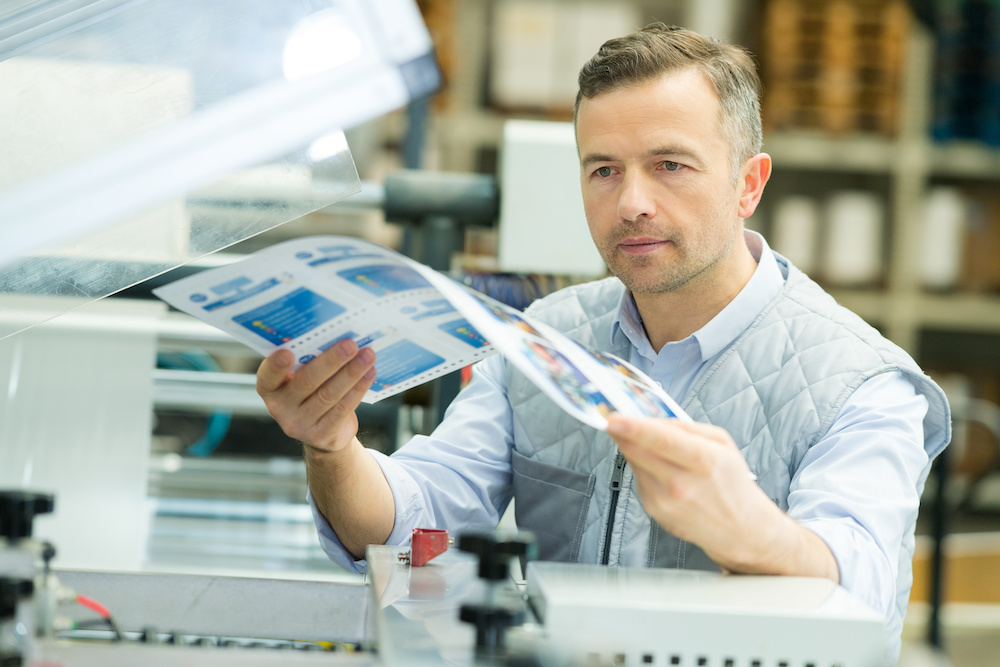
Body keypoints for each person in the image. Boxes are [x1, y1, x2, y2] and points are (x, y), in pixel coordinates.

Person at [256, 24, 950, 663]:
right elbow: (415, 520)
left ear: (748, 184)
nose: (631, 203)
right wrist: (332, 446)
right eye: (604, 170)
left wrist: (750, 530)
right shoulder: (544, 338)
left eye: (670, 164)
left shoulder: (861, 384)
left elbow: (859, 599)